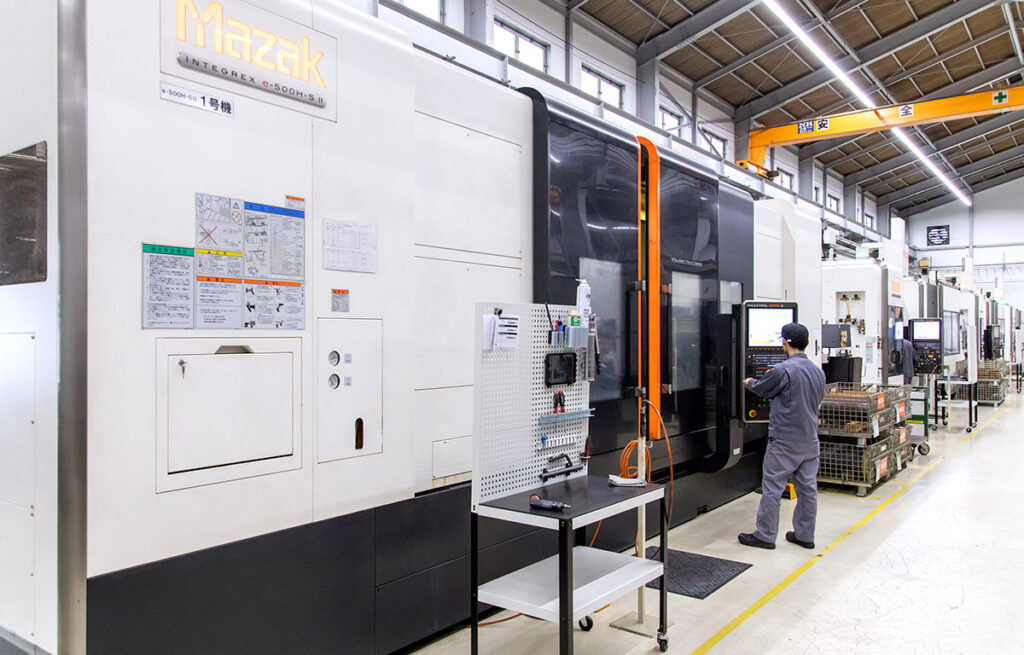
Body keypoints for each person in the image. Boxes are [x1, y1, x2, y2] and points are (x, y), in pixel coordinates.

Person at [738, 323, 826, 550]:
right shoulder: (818, 372)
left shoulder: (782, 370)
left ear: (784, 342)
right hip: (810, 440)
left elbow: (762, 388)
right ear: (807, 343)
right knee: (808, 490)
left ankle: (765, 536)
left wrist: (749, 383)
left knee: (772, 488)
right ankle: (805, 535)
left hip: (785, 441)